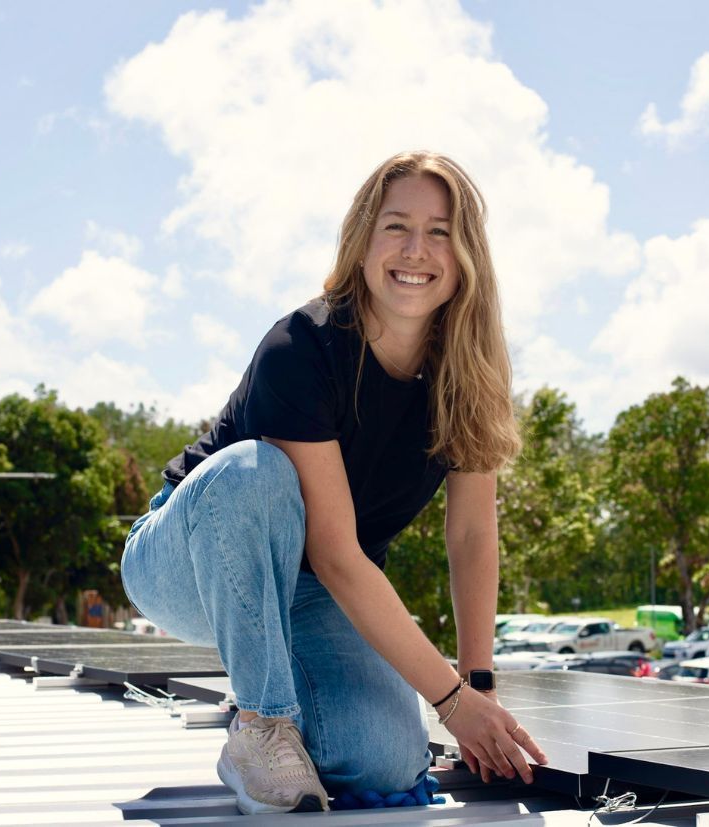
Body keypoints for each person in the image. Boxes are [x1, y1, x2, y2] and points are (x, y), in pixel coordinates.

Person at [120, 150, 548, 815]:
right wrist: (449, 701)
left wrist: (478, 683)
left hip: (311, 591)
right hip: (191, 558)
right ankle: (261, 726)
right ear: (362, 241)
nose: (416, 249)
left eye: (440, 231)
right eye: (396, 226)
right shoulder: (301, 348)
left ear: (466, 254)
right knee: (254, 472)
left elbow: (470, 533)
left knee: (385, 757)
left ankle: (277, 698)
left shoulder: (469, 376)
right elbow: (337, 552)